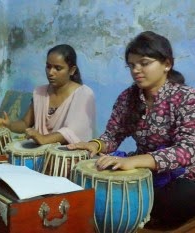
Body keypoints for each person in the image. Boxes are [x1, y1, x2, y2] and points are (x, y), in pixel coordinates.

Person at [68, 31, 195, 228]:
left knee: (182, 197)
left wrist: (134, 160)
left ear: (167, 64)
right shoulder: (128, 98)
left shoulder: (187, 97)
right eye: (132, 65)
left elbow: (187, 150)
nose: (136, 70)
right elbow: (113, 135)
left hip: (182, 175)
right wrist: (94, 144)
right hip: (144, 172)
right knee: (90, 171)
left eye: (144, 63)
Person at [0, 44, 96, 145]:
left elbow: (72, 132)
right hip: (40, 153)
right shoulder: (40, 92)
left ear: (72, 70)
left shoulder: (83, 94)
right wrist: (9, 125)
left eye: (58, 68)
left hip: (69, 157)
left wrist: (43, 139)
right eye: (48, 66)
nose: (51, 72)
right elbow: (25, 124)